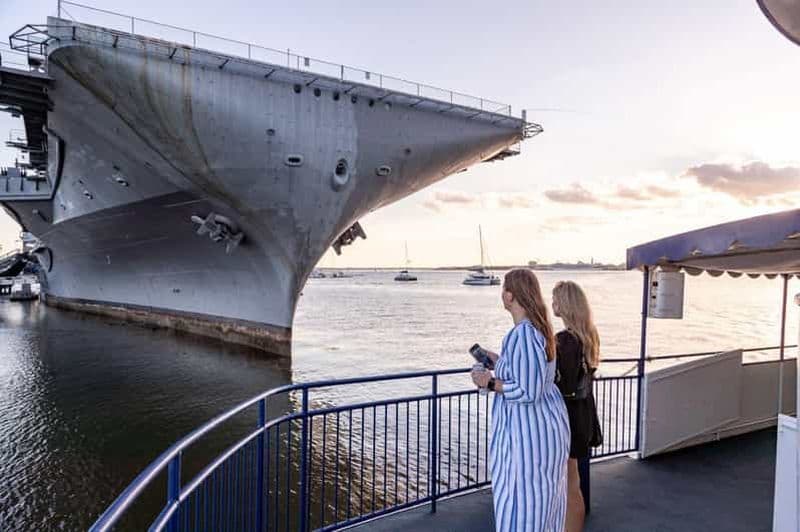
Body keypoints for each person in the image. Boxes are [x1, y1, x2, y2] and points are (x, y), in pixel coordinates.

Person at [471, 269, 570, 532]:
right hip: (546, 427)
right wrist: (496, 360)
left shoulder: (523, 334)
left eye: (503, 289)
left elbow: (528, 391)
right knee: (543, 506)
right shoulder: (538, 331)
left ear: (510, 295)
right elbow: (527, 372)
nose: (502, 294)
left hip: (528, 437)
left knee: (524, 506)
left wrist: (489, 383)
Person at [552, 280, 601, 532]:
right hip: (583, 415)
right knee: (574, 482)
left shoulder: (565, 340)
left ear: (566, 304)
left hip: (568, 418)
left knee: (569, 485)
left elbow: (563, 384)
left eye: (556, 299)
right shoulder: (588, 335)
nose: (552, 304)